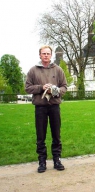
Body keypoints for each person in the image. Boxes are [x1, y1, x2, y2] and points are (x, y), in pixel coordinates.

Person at [25, 45, 67, 173]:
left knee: (56, 134)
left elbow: (64, 87)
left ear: (51, 55)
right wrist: (41, 88)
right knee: (41, 136)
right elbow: (27, 88)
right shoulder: (33, 71)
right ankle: (42, 161)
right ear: (40, 55)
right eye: (43, 53)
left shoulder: (58, 70)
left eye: (48, 53)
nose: (46, 55)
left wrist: (56, 90)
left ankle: (57, 159)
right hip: (40, 107)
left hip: (54, 106)